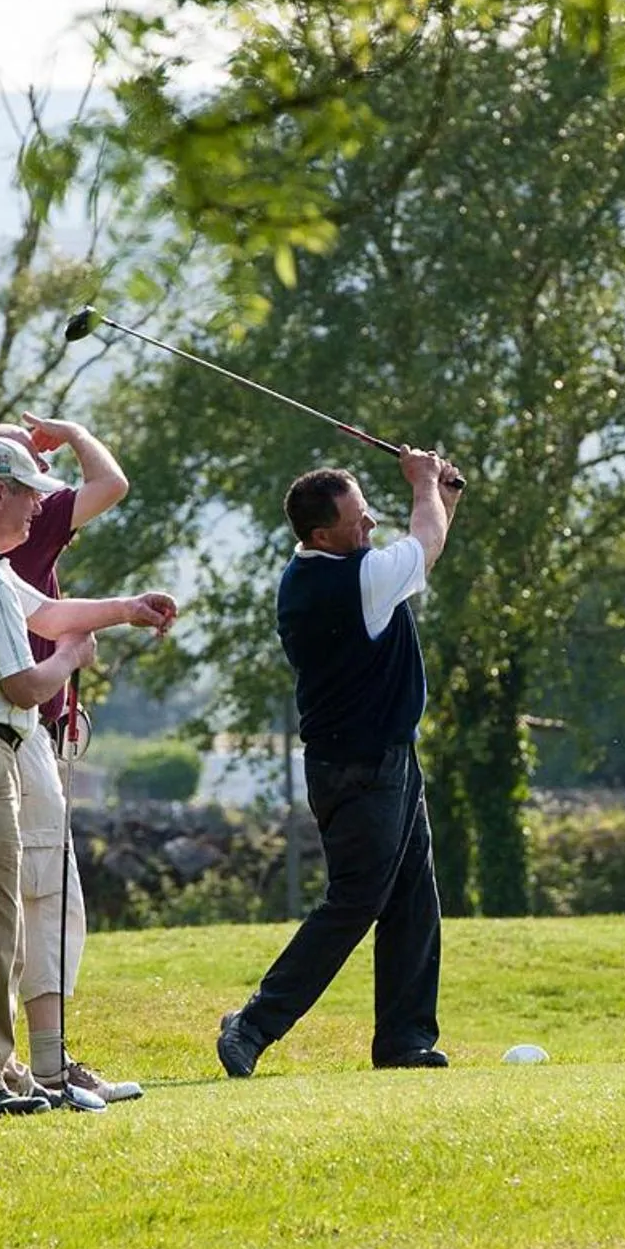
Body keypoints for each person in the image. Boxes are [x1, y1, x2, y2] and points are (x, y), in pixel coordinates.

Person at [0, 435, 177, 1118]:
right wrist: (71, 658)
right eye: (28, 496)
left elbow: (45, 613)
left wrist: (127, 609)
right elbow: (23, 685)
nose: (35, 511)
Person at [216, 447, 462, 1078]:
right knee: (356, 901)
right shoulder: (356, 581)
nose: (371, 523)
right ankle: (253, 1025)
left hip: (382, 759)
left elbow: (427, 542)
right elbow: (425, 544)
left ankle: (405, 1040)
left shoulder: (322, 569)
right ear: (322, 534)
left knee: (412, 897)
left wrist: (442, 494)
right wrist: (424, 484)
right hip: (361, 767)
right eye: (359, 519)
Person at [0, 413, 142, 1107]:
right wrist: (71, 432)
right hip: (20, 730)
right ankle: (44, 1065)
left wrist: (118, 613)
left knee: (19, 897)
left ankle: (23, 1065)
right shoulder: (26, 524)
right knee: (44, 895)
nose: (42, 484)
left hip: (17, 729)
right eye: (28, 465)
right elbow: (112, 483)